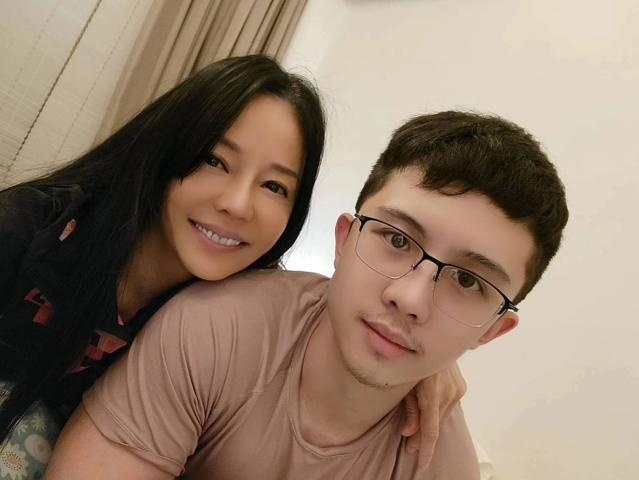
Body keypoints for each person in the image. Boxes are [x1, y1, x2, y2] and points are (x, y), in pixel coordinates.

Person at [0, 55, 460, 478]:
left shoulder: (238, 316)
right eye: (215, 161)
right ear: (167, 148)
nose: (237, 205)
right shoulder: (28, 232)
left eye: (274, 187)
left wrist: (425, 366)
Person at [44, 110, 569, 479]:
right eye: (396, 240)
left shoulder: (441, 466)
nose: (410, 298)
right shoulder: (218, 327)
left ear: (494, 329)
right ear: (343, 241)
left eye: (469, 281)